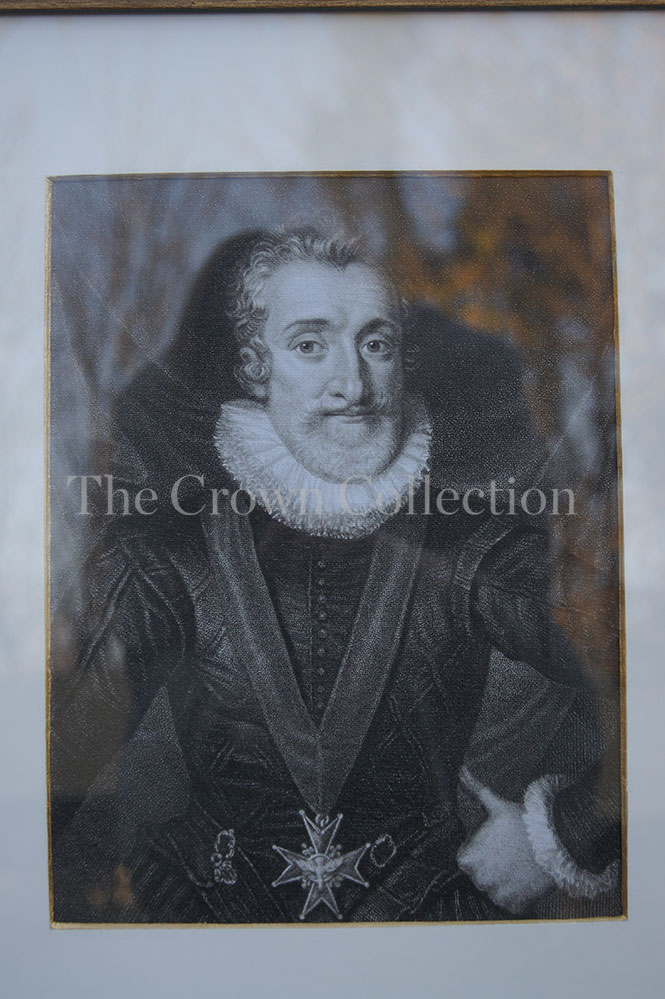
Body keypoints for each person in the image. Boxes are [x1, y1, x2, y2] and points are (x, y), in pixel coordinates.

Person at [50, 227, 621, 924]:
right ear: (256, 367)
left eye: (374, 344)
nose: (352, 385)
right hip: (213, 937)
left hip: (428, 937)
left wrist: (555, 834)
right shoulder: (175, 548)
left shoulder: (477, 543)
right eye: (310, 345)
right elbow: (67, 747)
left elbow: (632, 697)